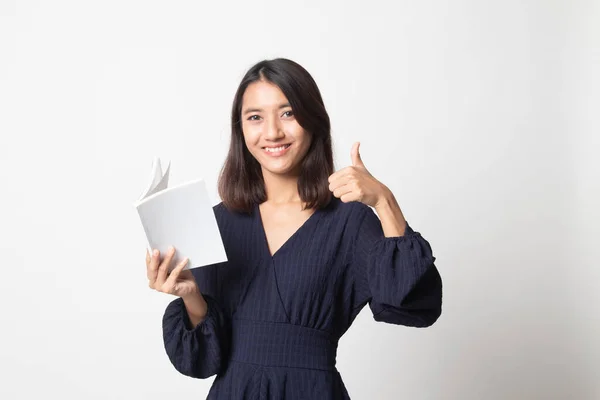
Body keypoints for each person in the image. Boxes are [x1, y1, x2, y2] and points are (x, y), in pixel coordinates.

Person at [146, 58, 443, 399]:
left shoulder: (349, 221)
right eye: (255, 117)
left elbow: (414, 305)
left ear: (313, 121)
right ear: (240, 129)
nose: (272, 132)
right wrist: (190, 296)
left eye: (287, 113)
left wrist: (384, 202)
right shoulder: (217, 223)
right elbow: (202, 361)